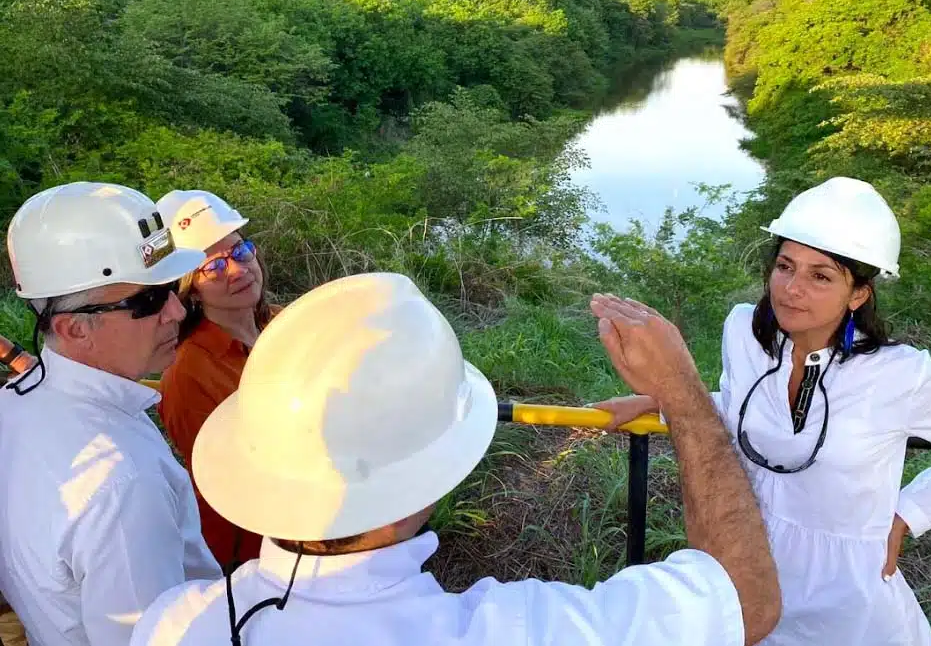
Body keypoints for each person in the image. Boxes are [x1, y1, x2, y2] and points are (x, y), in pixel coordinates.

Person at [131, 272, 781, 646]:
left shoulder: (174, 624)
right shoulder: (510, 630)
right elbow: (746, 600)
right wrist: (685, 400)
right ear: (431, 473)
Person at [593, 176, 931, 646]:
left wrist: (907, 515)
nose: (792, 289)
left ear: (858, 293)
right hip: (747, 564)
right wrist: (665, 400)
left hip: (847, 601)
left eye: (820, 276)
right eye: (785, 266)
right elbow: (754, 415)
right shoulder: (743, 332)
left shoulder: (899, 375)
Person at [0, 182, 223, 646]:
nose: (177, 311)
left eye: (170, 289)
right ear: (74, 328)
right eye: (148, 300)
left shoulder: (18, 403)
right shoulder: (122, 484)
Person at [155, 189, 279, 570]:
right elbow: (227, 482)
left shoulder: (283, 324)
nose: (239, 270)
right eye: (215, 266)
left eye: (240, 252)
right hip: (256, 553)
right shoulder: (188, 374)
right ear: (189, 286)